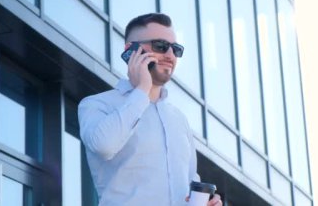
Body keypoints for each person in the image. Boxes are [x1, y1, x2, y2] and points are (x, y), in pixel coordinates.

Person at [78, 13, 222, 206]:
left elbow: (190, 183)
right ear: (131, 51)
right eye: (160, 46)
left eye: (176, 49)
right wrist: (142, 90)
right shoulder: (96, 105)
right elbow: (104, 146)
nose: (170, 56)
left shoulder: (179, 119)